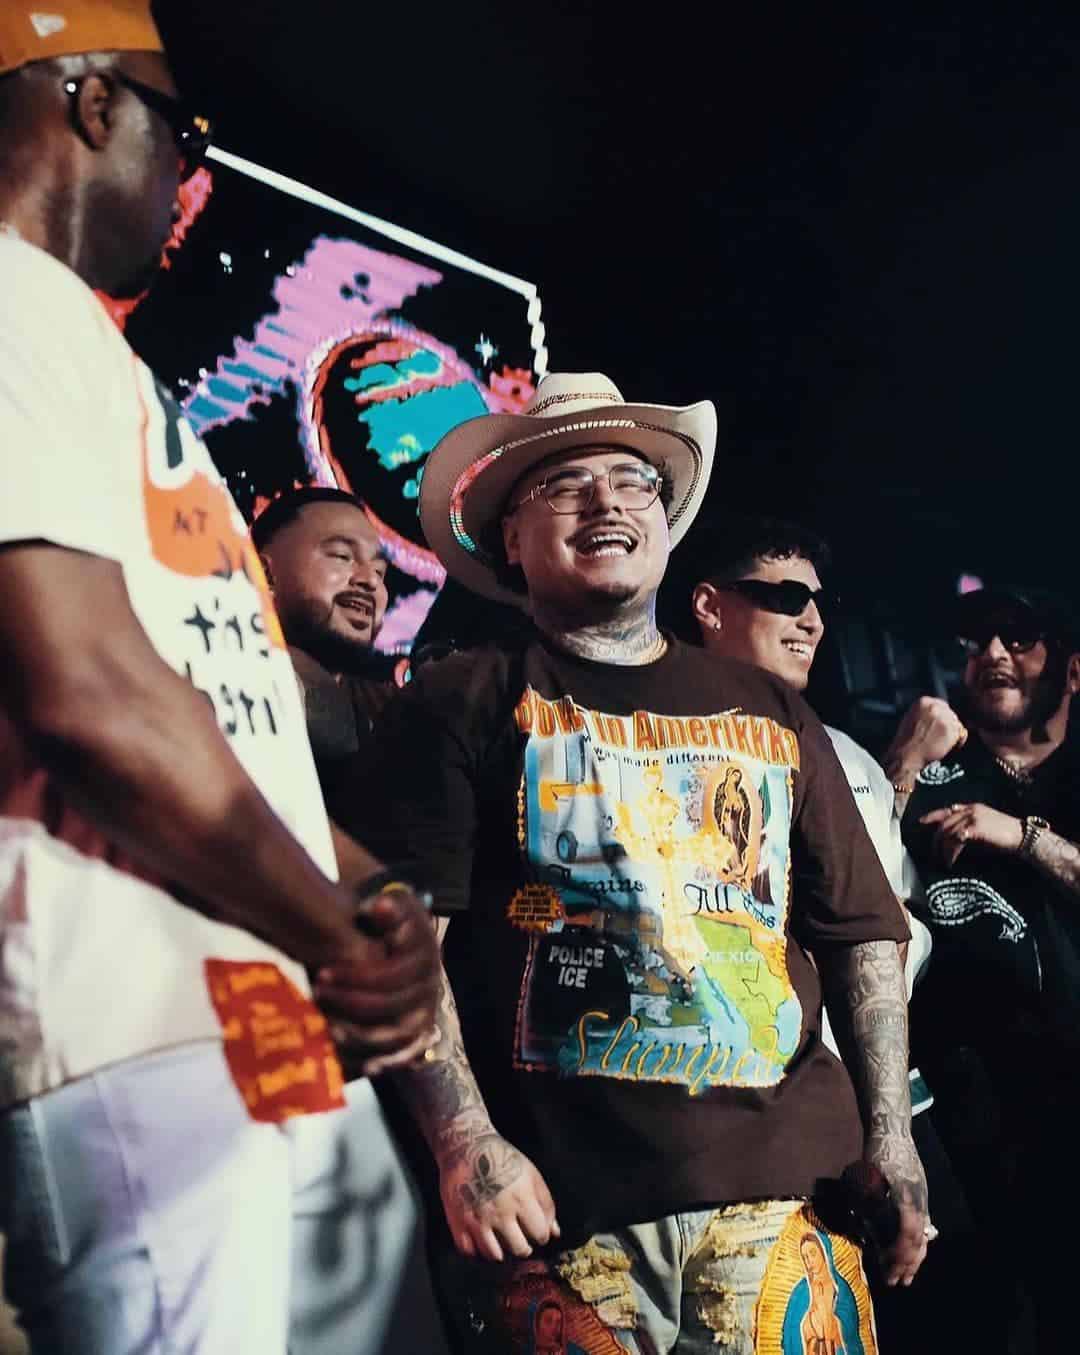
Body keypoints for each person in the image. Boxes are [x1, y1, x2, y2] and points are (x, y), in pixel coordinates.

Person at [0, 5, 438, 1352]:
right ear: (86, 100)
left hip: (267, 1028)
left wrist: (368, 892)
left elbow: (205, 714)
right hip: (131, 1045)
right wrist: (329, 920)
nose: (189, 173)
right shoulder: (9, 302)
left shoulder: (90, 356)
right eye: (179, 129)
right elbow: (91, 696)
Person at [339, 372, 926, 1353]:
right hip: (566, 1216)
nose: (608, 501)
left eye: (633, 482)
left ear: (663, 521)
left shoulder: (769, 708)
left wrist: (893, 1136)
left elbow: (863, 933)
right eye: (566, 486)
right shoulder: (460, 700)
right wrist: (463, 1141)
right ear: (511, 542)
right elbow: (404, 936)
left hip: (790, 1196)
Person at [687, 517, 1013, 1354]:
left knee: (962, 1312)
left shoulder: (843, 753)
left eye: (818, 604)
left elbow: (881, 924)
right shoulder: (661, 751)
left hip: (885, 1103)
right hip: (751, 1127)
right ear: (708, 606)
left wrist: (892, 1126)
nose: (812, 622)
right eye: (785, 598)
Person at [254, 483, 449, 1355]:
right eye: (340, 554)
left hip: (410, 1060)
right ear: (256, 563)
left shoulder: (391, 701)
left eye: (379, 564)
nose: (372, 579)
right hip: (285, 1058)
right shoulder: (244, 680)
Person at [885, 583, 1080, 1350]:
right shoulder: (934, 765)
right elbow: (848, 875)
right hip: (966, 1121)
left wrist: (1024, 837)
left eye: (1018, 638)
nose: (992, 655)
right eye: (977, 642)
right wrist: (901, 756)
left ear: (1071, 670)